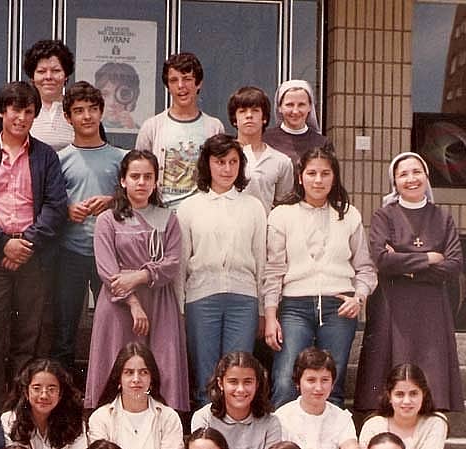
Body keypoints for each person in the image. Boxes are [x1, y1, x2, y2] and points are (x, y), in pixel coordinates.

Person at [0, 81, 67, 401]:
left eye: (28, 111)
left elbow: (55, 206)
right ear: (2, 111)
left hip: (32, 255)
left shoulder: (46, 157)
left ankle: (23, 407)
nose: (21, 118)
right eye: (15, 110)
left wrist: (26, 243)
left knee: (30, 335)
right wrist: (2, 244)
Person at [262, 147, 377, 406]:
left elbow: (366, 268)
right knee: (285, 381)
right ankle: (284, 434)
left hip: (339, 307)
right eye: (311, 173)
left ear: (334, 177)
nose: (318, 180)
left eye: (325, 173)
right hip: (295, 307)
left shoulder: (349, 214)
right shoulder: (282, 215)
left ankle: (331, 433)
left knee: (331, 384)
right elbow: (273, 270)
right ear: (300, 177)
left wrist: (358, 298)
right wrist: (270, 317)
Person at [354, 151, 464, 412]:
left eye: (417, 172)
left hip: (431, 306)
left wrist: (404, 265)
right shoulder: (384, 216)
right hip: (392, 303)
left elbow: (454, 265)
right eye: (403, 174)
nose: (411, 179)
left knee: (430, 365)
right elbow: (382, 260)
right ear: (394, 181)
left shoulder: (442, 217)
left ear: (426, 176)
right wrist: (429, 258)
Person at [85, 149, 186, 410]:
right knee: (118, 362)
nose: (141, 182)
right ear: (123, 180)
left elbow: (172, 262)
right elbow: (107, 269)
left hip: (159, 301)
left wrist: (140, 276)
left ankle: (162, 421)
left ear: (156, 181)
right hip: (118, 303)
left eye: (148, 177)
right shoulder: (108, 219)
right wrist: (132, 303)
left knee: (161, 362)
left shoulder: (168, 219)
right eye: (135, 176)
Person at [175, 134, 266, 405]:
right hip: (201, 298)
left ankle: (235, 425)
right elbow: (181, 263)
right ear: (208, 164)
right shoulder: (189, 207)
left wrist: (262, 310)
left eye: (233, 162)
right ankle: (206, 425)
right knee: (206, 373)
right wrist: (180, 308)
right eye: (220, 162)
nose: (227, 169)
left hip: (244, 299)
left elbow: (261, 260)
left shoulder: (253, 207)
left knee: (238, 371)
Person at [51, 82, 125, 372]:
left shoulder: (120, 158)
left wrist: (111, 200)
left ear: (101, 112)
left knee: (113, 327)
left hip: (110, 254)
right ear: (68, 117)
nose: (87, 116)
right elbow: (50, 203)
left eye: (92, 109)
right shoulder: (59, 159)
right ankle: (64, 390)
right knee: (64, 330)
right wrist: (67, 210)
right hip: (70, 253)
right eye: (79, 111)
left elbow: (135, 200)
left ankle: (110, 388)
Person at [87, 343, 185, 449]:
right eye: (129, 372)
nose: (136, 379)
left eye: (143, 372)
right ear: (119, 378)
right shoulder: (101, 417)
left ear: (152, 378)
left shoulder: (168, 417)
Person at [134, 53, 224, 207]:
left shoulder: (214, 127)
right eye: (174, 80)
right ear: (168, 86)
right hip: (161, 212)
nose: (181, 85)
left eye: (187, 79)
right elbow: (139, 170)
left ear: (199, 83)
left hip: (200, 212)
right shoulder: (151, 127)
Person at [274, 348, 361, 449]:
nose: (319, 387)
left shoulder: (340, 417)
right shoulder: (282, 416)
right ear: (297, 383)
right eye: (311, 380)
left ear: (333, 384)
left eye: (325, 380)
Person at [191, 352, 281, 449]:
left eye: (247, 382)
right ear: (220, 383)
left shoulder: (271, 422)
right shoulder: (203, 418)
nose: (240, 389)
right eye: (233, 382)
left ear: (257, 384)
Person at [1, 358, 88, 449]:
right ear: (26, 392)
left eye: (51, 389)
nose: (44, 395)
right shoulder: (10, 420)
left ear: (60, 393)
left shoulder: (74, 422)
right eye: (36, 388)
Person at [228, 85, 294, 217]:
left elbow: (283, 208)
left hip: (264, 227)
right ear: (235, 119)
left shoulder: (281, 161)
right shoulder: (221, 157)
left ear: (264, 118)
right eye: (242, 111)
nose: (249, 116)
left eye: (255, 111)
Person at [262, 80, 331, 167]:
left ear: (310, 107)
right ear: (279, 107)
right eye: (289, 105)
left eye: (301, 105)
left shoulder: (322, 143)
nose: (295, 111)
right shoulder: (265, 140)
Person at [95, 62, 140, 130]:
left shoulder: (135, 128)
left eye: (123, 94)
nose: (112, 103)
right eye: (105, 94)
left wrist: (132, 128)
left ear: (133, 98)